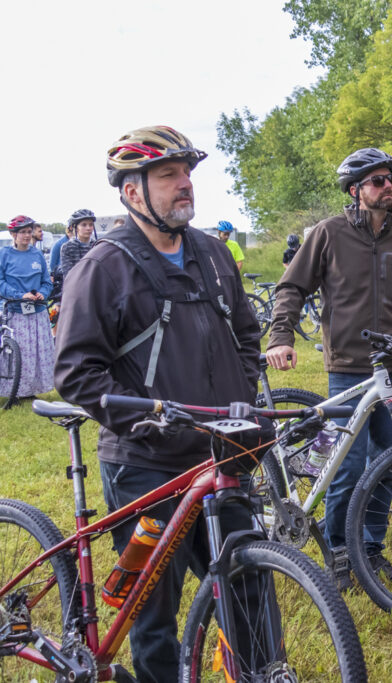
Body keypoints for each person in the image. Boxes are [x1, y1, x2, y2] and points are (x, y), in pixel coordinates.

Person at [53, 125, 265, 683]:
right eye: (169, 175)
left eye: (187, 173)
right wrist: (148, 420)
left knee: (250, 586)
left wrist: (240, 396)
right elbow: (76, 372)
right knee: (154, 614)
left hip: (220, 454)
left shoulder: (213, 254)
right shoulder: (102, 268)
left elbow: (247, 335)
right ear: (132, 192)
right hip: (147, 463)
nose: (184, 184)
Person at [265, 147, 392, 590]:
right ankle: (339, 551)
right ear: (356, 190)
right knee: (348, 466)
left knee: (388, 461)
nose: (388, 186)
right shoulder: (329, 233)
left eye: (390, 179)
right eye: (378, 181)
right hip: (348, 367)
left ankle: (370, 548)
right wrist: (281, 336)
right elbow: (292, 287)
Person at [0, 215, 54, 399]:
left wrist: (43, 293)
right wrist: (20, 295)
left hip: (37, 311)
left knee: (36, 354)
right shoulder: (4, 254)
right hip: (16, 312)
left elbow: (46, 281)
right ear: (13, 234)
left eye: (29, 231)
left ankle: (32, 390)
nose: (26, 235)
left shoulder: (37, 254)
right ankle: (14, 391)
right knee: (18, 353)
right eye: (22, 232)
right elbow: (1, 282)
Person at [59, 208, 97, 277]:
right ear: (76, 228)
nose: (88, 228)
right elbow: (68, 276)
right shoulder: (67, 247)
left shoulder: (97, 246)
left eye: (91, 224)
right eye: (84, 225)